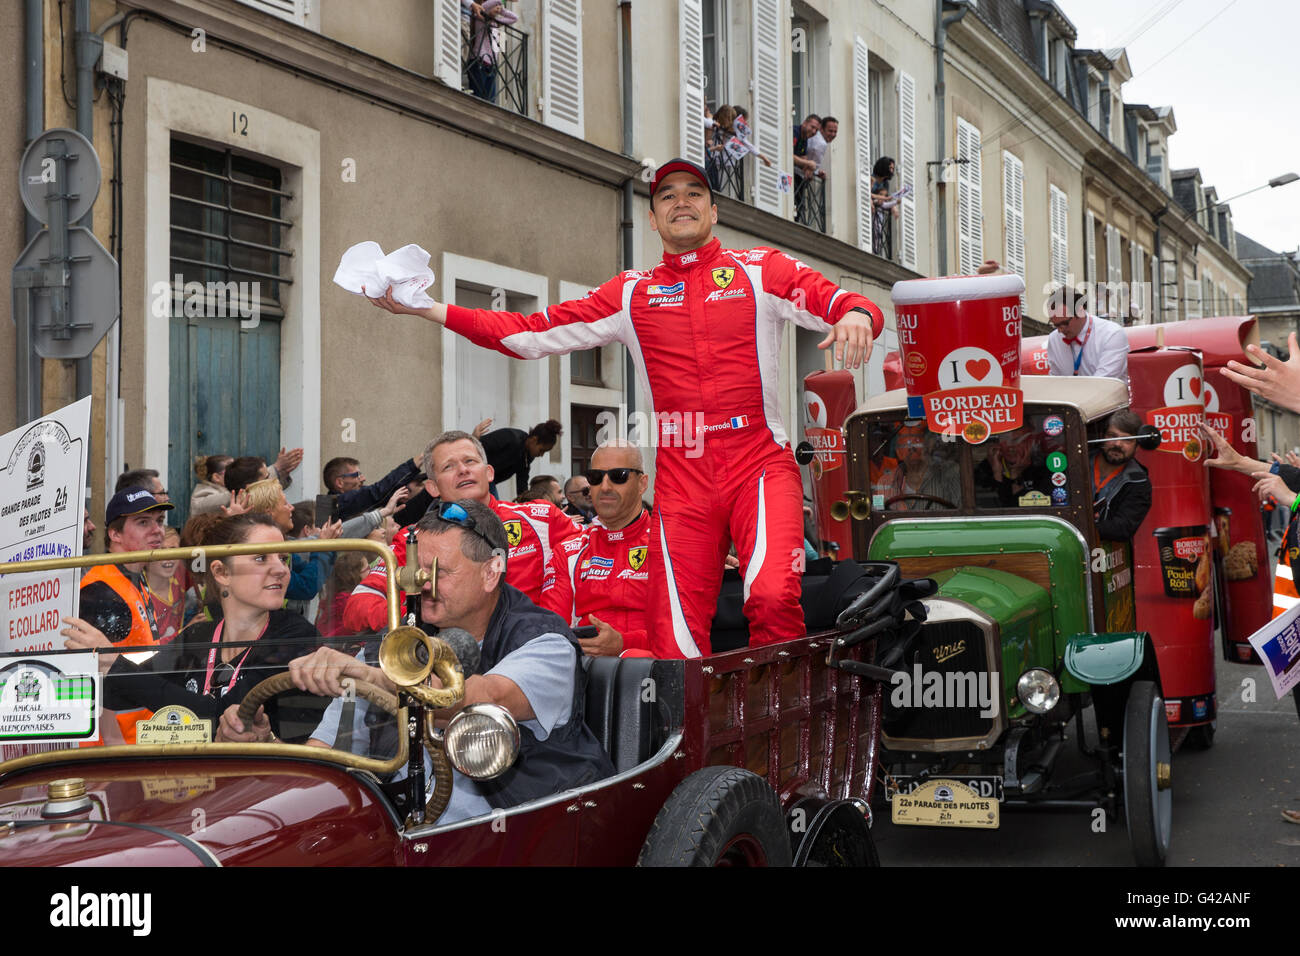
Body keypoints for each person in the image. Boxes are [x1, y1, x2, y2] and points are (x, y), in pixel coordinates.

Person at [363, 158, 881, 657]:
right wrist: (428, 308)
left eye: (694, 194)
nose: (682, 203)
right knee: (675, 629)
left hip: (759, 463)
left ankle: (780, 738)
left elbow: (839, 301)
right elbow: (528, 333)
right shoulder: (633, 292)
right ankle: (692, 744)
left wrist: (856, 312)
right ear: (652, 217)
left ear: (714, 211)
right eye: (667, 196)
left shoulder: (759, 269)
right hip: (683, 472)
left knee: (770, 597)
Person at [249, 500, 614, 823]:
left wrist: (371, 676)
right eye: (417, 570)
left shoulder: (544, 640)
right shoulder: (393, 643)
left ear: (491, 571)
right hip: (398, 827)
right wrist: (268, 747)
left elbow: (477, 697)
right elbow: (328, 752)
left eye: (442, 572)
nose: (424, 583)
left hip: (512, 833)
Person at [64, 513, 325, 740]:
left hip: (269, 789)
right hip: (193, 785)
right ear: (222, 573)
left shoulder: (296, 636)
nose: (281, 569)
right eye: (261, 559)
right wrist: (83, 666)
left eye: (283, 558)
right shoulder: (197, 636)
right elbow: (125, 694)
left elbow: (224, 716)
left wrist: (115, 665)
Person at [342, 431, 582, 634]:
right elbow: (358, 606)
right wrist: (425, 614)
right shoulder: (412, 539)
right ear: (433, 487)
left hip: (527, 653)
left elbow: (596, 570)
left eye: (470, 462)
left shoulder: (541, 518)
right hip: (447, 662)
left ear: (489, 473)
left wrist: (548, 623)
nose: (463, 471)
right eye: (449, 466)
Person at [540, 442, 652, 657]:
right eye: (596, 477)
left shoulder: (668, 546)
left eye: (618, 476)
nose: (606, 486)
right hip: (585, 670)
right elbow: (552, 631)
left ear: (642, 483)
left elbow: (682, 633)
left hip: (655, 672)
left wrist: (623, 643)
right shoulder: (570, 551)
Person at [74, 487, 174, 648]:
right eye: (143, 522)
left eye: (159, 521)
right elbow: (97, 666)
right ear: (115, 534)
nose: (157, 530)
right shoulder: (100, 591)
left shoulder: (134, 572)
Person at [1044, 284, 1129, 386]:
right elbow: (1055, 382)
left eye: (1065, 323)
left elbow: (1103, 384)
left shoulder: (1112, 334)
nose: (1060, 330)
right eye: (1055, 325)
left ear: (1080, 311)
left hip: (1107, 400)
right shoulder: (1054, 339)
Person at [1091, 410, 1152, 541]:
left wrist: (1086, 526)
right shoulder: (1076, 463)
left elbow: (1123, 528)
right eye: (1112, 436)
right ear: (1102, 436)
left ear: (1137, 446)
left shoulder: (1139, 482)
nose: (1117, 444)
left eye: (1127, 439)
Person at [322, 453, 423, 522]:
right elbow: (377, 492)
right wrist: (419, 459)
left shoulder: (328, 505)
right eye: (357, 475)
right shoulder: (334, 504)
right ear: (340, 482)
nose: (363, 479)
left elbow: (384, 493)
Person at [479, 420, 563, 499]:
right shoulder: (511, 438)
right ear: (534, 440)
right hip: (480, 473)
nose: (541, 455)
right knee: (494, 509)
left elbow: (522, 485)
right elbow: (478, 446)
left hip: (488, 479)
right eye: (541, 450)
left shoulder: (527, 457)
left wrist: (526, 502)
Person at [974, 427, 1053, 507]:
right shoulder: (986, 467)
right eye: (1005, 442)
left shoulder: (1043, 467)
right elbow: (994, 506)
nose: (1011, 448)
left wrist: (1015, 475)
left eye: (1018, 441)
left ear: (1030, 444)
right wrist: (997, 473)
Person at [888, 425, 961, 510]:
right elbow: (880, 512)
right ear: (898, 452)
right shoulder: (887, 480)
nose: (912, 448)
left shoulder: (948, 473)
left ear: (926, 447)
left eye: (917, 443)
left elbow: (962, 511)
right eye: (906, 444)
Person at [144, 526, 186, 643]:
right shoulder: (139, 593)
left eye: (173, 549)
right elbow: (146, 647)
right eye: (161, 550)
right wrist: (184, 632)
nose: (168, 557)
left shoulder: (180, 572)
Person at [870, 157, 900, 256]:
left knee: (878, 231)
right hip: (872, 210)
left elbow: (885, 197)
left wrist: (893, 207)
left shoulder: (885, 183)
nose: (892, 171)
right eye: (890, 168)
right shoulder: (872, 179)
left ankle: (876, 249)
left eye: (892, 168)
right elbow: (867, 193)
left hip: (878, 210)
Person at [792, 114, 821, 178]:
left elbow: (803, 157)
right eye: (812, 127)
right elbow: (788, 155)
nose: (814, 132)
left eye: (816, 130)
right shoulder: (794, 132)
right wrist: (808, 163)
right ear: (804, 123)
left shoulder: (805, 138)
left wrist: (813, 170)